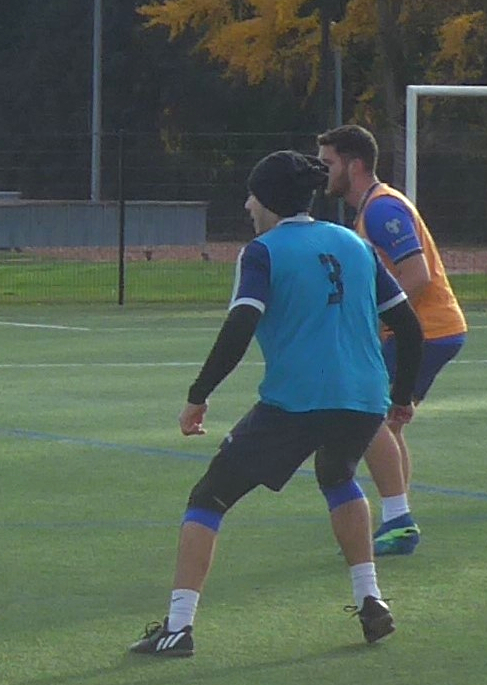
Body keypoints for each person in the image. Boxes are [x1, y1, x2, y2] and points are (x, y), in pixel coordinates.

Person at [132, 150, 425, 659]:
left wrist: (198, 395)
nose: (246, 204)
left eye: (251, 194)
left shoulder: (264, 252)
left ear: (267, 199)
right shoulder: (354, 243)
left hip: (296, 401)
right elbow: (410, 326)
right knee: (337, 475)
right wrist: (400, 397)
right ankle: (371, 599)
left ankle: (178, 628)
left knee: (209, 497)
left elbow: (241, 325)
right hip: (362, 397)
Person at [317, 125, 466, 557]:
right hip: (424, 330)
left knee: (371, 419)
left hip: (427, 330)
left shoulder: (382, 209)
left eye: (329, 164)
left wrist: (371, 321)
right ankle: (397, 514)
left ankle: (400, 521)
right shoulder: (370, 209)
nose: (323, 173)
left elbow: (417, 275)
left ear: (354, 164)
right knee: (386, 423)